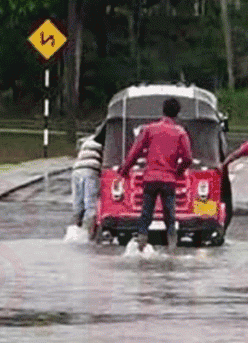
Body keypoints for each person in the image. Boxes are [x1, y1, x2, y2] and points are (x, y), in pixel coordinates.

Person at [118, 97, 193, 252]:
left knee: (146, 214)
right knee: (170, 216)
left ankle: (141, 244)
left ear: (163, 110)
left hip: (150, 179)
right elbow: (188, 158)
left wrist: (124, 169)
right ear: (177, 113)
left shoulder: (150, 129)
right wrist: (177, 172)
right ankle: (172, 247)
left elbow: (135, 152)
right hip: (169, 180)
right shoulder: (180, 133)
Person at [70, 121, 106, 239]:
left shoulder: (87, 141)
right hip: (90, 171)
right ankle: (89, 234)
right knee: (90, 203)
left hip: (76, 171)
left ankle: (75, 229)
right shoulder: (104, 143)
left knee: (78, 203)